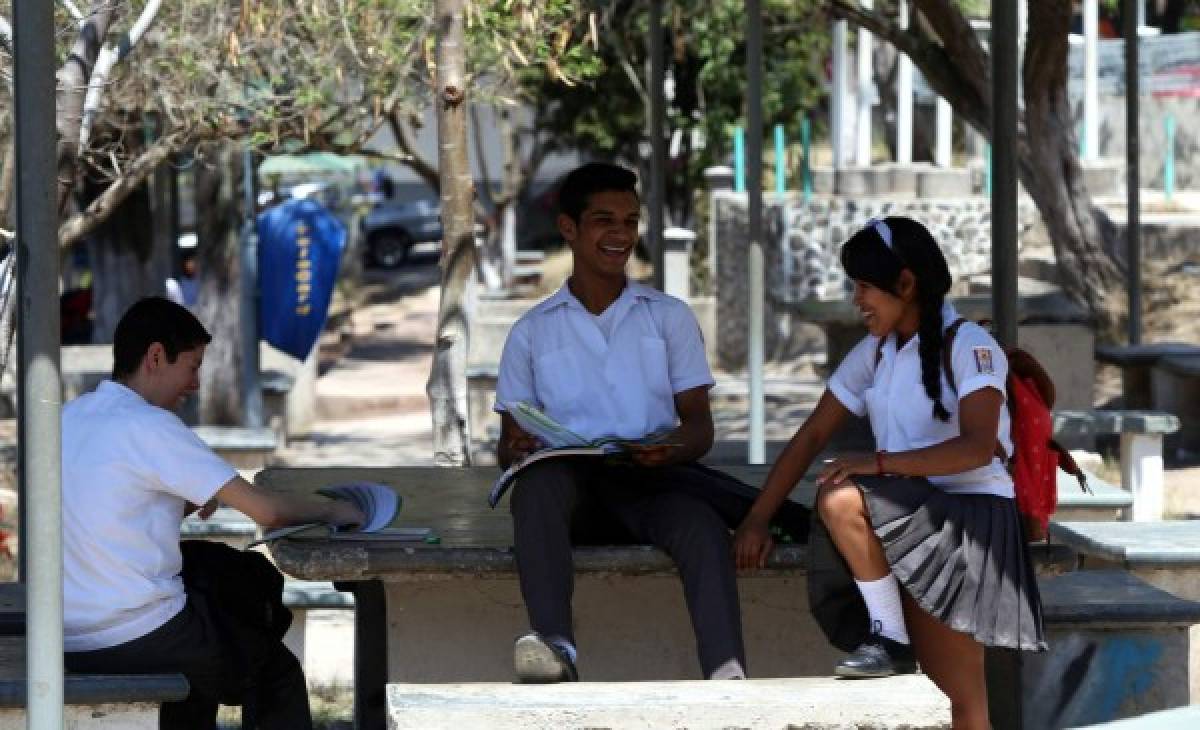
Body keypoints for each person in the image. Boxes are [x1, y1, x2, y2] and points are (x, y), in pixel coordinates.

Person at [733, 217, 1045, 729]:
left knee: (959, 701)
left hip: (967, 523)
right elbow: (811, 436)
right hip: (906, 518)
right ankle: (890, 634)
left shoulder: (968, 345)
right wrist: (757, 518)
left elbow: (977, 447)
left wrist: (877, 464)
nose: (857, 300)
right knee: (838, 494)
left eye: (864, 285)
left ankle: (890, 637)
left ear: (905, 283)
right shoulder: (875, 352)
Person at [495, 162, 769, 684]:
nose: (621, 234)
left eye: (630, 220)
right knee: (536, 486)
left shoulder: (668, 317)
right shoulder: (530, 332)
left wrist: (669, 448)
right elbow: (509, 444)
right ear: (569, 229)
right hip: (570, 497)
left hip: (652, 481)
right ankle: (555, 649)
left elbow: (698, 427)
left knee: (702, 527)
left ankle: (727, 674)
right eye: (604, 220)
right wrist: (518, 445)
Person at [61, 297, 364, 730]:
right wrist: (335, 508)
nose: (196, 384)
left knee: (224, 586)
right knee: (274, 666)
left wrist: (185, 500)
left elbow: (110, 514)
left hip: (66, 634)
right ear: (155, 357)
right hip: (131, 634)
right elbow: (269, 511)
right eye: (192, 366)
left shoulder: (69, 417)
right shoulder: (151, 426)